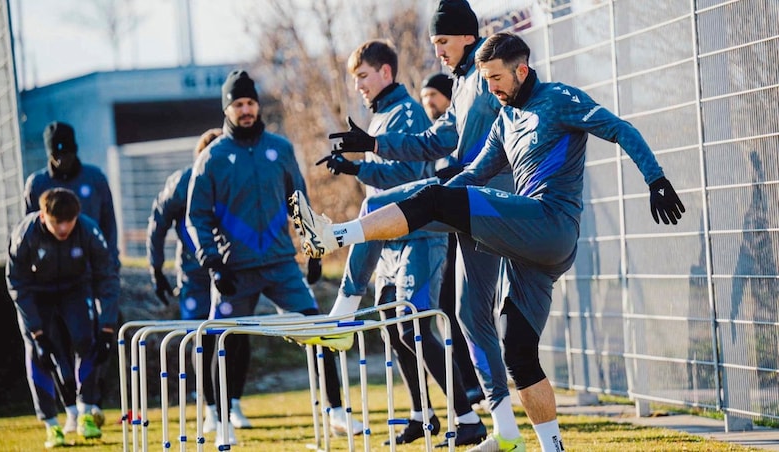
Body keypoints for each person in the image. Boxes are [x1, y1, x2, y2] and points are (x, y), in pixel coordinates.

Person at [292, 31, 685, 452]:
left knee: (438, 204)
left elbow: (619, 129)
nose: (491, 88)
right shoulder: (506, 118)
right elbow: (473, 174)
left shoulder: (558, 99)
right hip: (530, 244)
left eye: (496, 78)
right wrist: (431, 197)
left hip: (550, 224)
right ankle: (551, 447)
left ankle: (333, 236)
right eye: (485, 79)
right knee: (516, 348)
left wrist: (656, 179)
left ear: (521, 69)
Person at [322, 0, 514, 446]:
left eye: (443, 42)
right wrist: (371, 142)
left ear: (468, 36)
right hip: (464, 203)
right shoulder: (463, 80)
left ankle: (344, 307)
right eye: (434, 44)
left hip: (487, 203)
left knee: (374, 213)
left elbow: (514, 124)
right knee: (467, 317)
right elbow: (436, 140)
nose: (438, 53)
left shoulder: (489, 77)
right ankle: (491, 428)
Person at [185, 69, 359, 446]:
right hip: (235, 269)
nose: (246, 110)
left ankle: (336, 410)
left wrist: (314, 248)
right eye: (238, 104)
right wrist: (213, 263)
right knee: (222, 339)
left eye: (250, 103)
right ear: (227, 109)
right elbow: (195, 216)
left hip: (281, 264)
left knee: (317, 329)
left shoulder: (280, 149)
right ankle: (220, 416)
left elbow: (299, 201)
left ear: (257, 105)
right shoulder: (212, 158)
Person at [147, 128, 254, 433]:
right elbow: (158, 222)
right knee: (202, 338)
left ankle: (232, 402)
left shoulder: (236, 180)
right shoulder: (182, 183)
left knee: (235, 336)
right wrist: (157, 268)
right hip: (195, 276)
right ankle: (210, 407)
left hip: (233, 271)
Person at [23, 121, 119, 433]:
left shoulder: (94, 179)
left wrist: (108, 320)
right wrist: (35, 331)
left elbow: (108, 226)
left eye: (68, 153)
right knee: (48, 347)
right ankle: (60, 415)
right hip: (43, 283)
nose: (62, 160)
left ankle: (88, 406)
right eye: (56, 155)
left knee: (88, 340)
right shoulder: (36, 184)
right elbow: (25, 249)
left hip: (84, 277)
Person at [6, 188, 120, 448]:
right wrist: (37, 333)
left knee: (86, 340)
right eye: (58, 222)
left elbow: (107, 277)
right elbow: (17, 285)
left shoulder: (88, 230)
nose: (64, 228)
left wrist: (108, 328)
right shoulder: (25, 235)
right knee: (39, 354)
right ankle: (52, 426)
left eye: (70, 221)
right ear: (44, 216)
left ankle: (85, 411)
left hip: (74, 290)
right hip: (36, 294)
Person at [420, 71, 485, 406]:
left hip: (473, 226)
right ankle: (471, 381)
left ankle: (484, 380)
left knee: (472, 308)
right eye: (424, 97)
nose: (428, 102)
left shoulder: (462, 134)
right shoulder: (436, 142)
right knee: (450, 307)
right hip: (444, 235)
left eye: (433, 96)